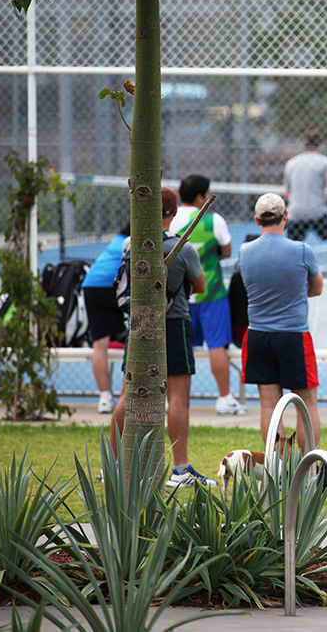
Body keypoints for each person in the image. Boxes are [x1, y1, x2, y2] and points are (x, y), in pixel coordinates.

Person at [110, 187, 215, 487]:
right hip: (174, 323)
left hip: (139, 323)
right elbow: (201, 286)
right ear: (174, 212)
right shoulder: (183, 248)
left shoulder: (130, 245)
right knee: (178, 398)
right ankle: (180, 469)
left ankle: (112, 464)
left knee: (127, 395)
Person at [237, 193, 323, 444]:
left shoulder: (245, 251)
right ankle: (307, 465)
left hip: (258, 336)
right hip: (294, 336)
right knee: (306, 404)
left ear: (257, 220)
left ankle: (275, 465)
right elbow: (317, 288)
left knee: (269, 406)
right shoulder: (302, 251)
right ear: (286, 216)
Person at [171, 174, 246, 416]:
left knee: (174, 347)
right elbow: (227, 250)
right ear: (200, 197)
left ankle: (169, 398)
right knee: (216, 345)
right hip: (211, 293)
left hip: (178, 295)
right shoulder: (213, 220)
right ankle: (224, 398)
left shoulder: (169, 219)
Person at [283, 132, 327, 279]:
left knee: (291, 249)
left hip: (295, 213)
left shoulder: (291, 163)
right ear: (320, 145)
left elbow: (287, 193)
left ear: (304, 144)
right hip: (317, 213)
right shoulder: (326, 162)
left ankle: (289, 279)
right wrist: (322, 197)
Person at [81, 223, 130, 414]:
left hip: (91, 285)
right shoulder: (135, 242)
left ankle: (105, 398)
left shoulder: (117, 241)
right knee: (139, 336)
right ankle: (131, 396)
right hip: (114, 286)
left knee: (99, 344)